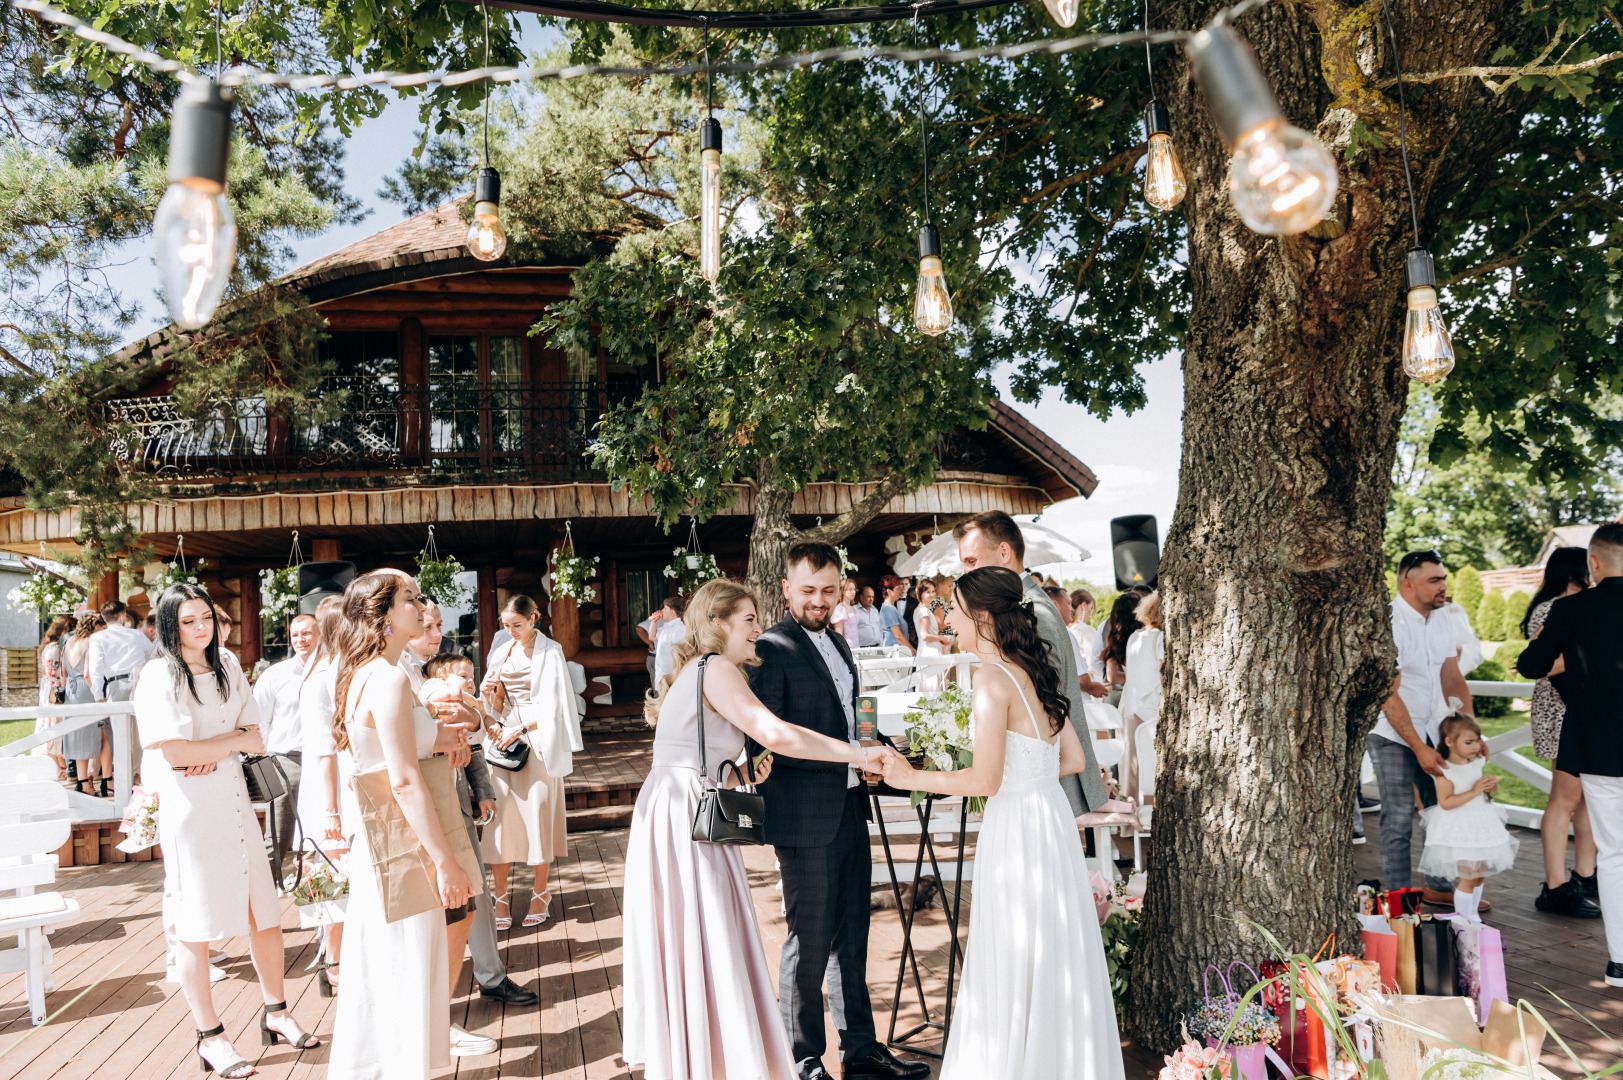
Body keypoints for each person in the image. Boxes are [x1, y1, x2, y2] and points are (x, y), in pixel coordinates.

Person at [622, 577, 890, 1080]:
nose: (757, 631)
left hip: (680, 804)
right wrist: (859, 753)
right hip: (685, 811)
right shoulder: (717, 666)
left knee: (700, 935)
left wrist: (742, 774)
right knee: (709, 933)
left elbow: (696, 753)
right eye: (748, 620)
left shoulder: (701, 669)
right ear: (718, 623)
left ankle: (705, 1057)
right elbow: (776, 734)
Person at [876, 567, 1124, 1080]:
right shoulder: (1034, 669)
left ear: (983, 616)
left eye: (956, 609)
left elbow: (986, 780)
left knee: (1014, 951)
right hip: (1049, 820)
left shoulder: (990, 678)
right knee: (1052, 950)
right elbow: (1073, 759)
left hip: (1015, 825)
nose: (948, 617)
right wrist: (1023, 771)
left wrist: (909, 774)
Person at [747, 543, 930, 1080]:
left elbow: (854, 724)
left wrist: (884, 753)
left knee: (852, 934)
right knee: (809, 939)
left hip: (852, 805)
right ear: (786, 589)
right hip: (804, 817)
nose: (819, 601)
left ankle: (861, 1050)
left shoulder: (840, 645)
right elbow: (764, 738)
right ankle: (801, 1057)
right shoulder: (771, 648)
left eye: (829, 591)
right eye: (808, 591)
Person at [133, 583, 319, 1078]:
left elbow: (257, 736)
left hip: (235, 804)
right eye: (188, 621)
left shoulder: (229, 665)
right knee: (195, 927)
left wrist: (214, 747)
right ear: (169, 625)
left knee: (266, 914)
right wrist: (226, 743)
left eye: (207, 619)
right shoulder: (157, 676)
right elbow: (173, 755)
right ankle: (210, 1035)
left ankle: (276, 1011)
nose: (201, 629)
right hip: (191, 813)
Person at [328, 569, 474, 1080]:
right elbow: (404, 780)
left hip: (379, 840)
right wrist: (446, 862)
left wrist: (443, 738)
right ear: (384, 615)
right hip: (407, 839)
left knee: (385, 967)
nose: (421, 605)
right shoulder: (388, 677)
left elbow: (384, 749)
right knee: (409, 968)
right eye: (410, 598)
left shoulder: (364, 673)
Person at [1518, 523, 1623, 986]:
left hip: (1598, 746)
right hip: (1598, 745)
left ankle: (1620, 961)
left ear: (1593, 563)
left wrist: (1548, 636)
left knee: (1614, 854)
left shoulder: (1569, 609)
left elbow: (1530, 666)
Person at [418, 653, 536, 1052]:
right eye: (426, 622)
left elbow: (474, 735)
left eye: (436, 623)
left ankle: (491, 976)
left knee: (474, 892)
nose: (432, 629)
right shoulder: (415, 679)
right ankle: (436, 1011)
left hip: (455, 796)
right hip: (421, 800)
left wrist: (482, 791)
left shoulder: (452, 683)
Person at [954, 510, 1108, 816]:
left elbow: (1043, 701)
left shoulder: (1032, 611)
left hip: (1044, 787)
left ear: (1004, 551)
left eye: (972, 561)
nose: (968, 572)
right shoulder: (1026, 604)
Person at [1371, 550, 1479, 910]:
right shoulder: (1388, 621)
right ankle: (1399, 902)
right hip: (1390, 730)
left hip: (1432, 728)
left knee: (1439, 810)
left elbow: (1451, 677)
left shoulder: (1443, 618)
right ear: (1408, 582)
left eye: (1443, 578)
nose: (1443, 586)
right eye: (1434, 580)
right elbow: (1388, 692)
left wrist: (1472, 733)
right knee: (1399, 815)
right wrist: (1418, 746)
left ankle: (1439, 885)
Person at [480, 594, 582, 931]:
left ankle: (541, 893)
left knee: (538, 814)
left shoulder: (551, 651)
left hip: (537, 741)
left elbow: (556, 705)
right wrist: (488, 702)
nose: (511, 631)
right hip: (504, 746)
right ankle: (501, 898)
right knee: (500, 820)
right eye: (506, 626)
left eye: (517, 625)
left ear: (534, 618)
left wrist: (519, 729)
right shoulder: (500, 651)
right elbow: (494, 701)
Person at [1522, 546, 1600, 917]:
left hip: (1584, 710)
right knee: (1565, 797)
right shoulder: (1550, 608)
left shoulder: (1585, 606)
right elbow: (1545, 663)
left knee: (1586, 797)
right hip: (1560, 709)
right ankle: (1554, 885)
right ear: (1574, 571)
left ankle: (1585, 873)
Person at [1417, 713, 1518, 921]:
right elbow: (1445, 803)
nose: (1475, 746)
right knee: (1467, 877)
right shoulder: (1445, 771)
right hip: (1459, 828)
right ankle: (1463, 917)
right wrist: (1474, 791)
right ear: (1449, 742)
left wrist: (1490, 784)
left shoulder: (1476, 763)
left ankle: (1473, 913)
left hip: (1481, 824)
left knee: (1479, 875)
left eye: (1478, 740)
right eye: (1469, 742)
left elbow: (1483, 790)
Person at [298, 597, 350, 999]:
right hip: (328, 792)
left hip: (347, 787)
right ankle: (333, 962)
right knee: (336, 877)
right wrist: (331, 812)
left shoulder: (342, 670)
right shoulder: (321, 678)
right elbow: (324, 751)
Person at [251, 612, 318, 882]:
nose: (300, 639)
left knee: (321, 830)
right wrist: (269, 759)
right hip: (282, 761)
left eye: (306, 633)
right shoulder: (275, 674)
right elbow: (259, 721)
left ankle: (318, 889)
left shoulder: (332, 670)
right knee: (276, 834)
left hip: (322, 760)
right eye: (295, 634)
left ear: (320, 634)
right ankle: (267, 890)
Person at [85, 598, 156, 794]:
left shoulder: (98, 638)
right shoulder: (136, 635)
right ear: (123, 616)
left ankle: (126, 780)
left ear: (105, 618)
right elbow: (153, 655)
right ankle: (139, 777)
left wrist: (98, 695)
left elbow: (96, 669)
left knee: (118, 735)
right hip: (139, 684)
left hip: (115, 685)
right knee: (140, 732)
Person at [1118, 591, 1165, 799]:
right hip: (1154, 705)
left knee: (1140, 760)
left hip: (1135, 705)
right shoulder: (1159, 636)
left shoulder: (1134, 637)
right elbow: (1164, 672)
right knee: (1156, 762)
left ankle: (1140, 809)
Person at [59, 612, 106, 795]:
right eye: (102, 628)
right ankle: (89, 782)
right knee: (93, 734)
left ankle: (82, 780)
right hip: (86, 689)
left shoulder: (68, 643)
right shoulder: (91, 643)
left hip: (71, 690)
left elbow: (63, 672)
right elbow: (88, 673)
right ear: (95, 627)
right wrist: (98, 695)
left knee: (78, 736)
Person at [35, 615, 70, 775]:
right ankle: (56, 761)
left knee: (51, 724)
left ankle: (57, 761)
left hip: (47, 687)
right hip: (54, 690)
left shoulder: (47, 647)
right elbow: (53, 673)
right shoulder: (56, 648)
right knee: (55, 724)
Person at [1099, 593, 1142, 706]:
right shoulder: (1145, 636)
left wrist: (1130, 675)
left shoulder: (1115, 639)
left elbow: (1112, 676)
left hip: (1128, 695)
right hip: (1146, 693)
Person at [913, 580, 952, 692]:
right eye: (927, 592)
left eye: (933, 591)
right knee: (932, 687)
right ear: (920, 594)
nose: (932, 594)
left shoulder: (920, 609)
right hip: (929, 651)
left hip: (928, 649)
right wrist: (942, 638)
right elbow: (924, 635)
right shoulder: (924, 611)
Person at [651, 594, 688, 685]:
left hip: (671, 676)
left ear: (672, 612)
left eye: (665, 608)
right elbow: (652, 637)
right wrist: (654, 622)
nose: (662, 610)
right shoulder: (666, 627)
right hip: (662, 674)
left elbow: (680, 653)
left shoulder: (679, 629)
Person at [878, 576, 914, 654]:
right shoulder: (888, 608)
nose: (900, 591)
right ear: (889, 591)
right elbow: (898, 635)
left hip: (897, 652)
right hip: (893, 653)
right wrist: (912, 650)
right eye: (897, 589)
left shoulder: (890, 607)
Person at [832, 580, 862, 648]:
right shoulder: (840, 609)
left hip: (856, 644)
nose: (853, 592)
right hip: (847, 645)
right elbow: (838, 633)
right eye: (850, 589)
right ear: (843, 591)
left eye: (854, 589)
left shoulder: (853, 608)